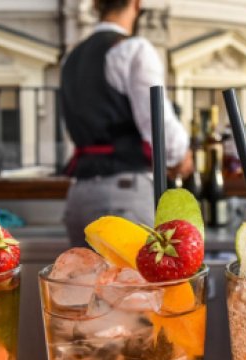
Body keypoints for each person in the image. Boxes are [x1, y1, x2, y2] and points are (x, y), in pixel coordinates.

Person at [59, 0, 192, 247]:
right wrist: (181, 156)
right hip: (122, 196)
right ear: (136, 3)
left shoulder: (72, 58)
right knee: (135, 286)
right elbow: (157, 123)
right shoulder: (133, 49)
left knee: (86, 285)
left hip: (78, 194)